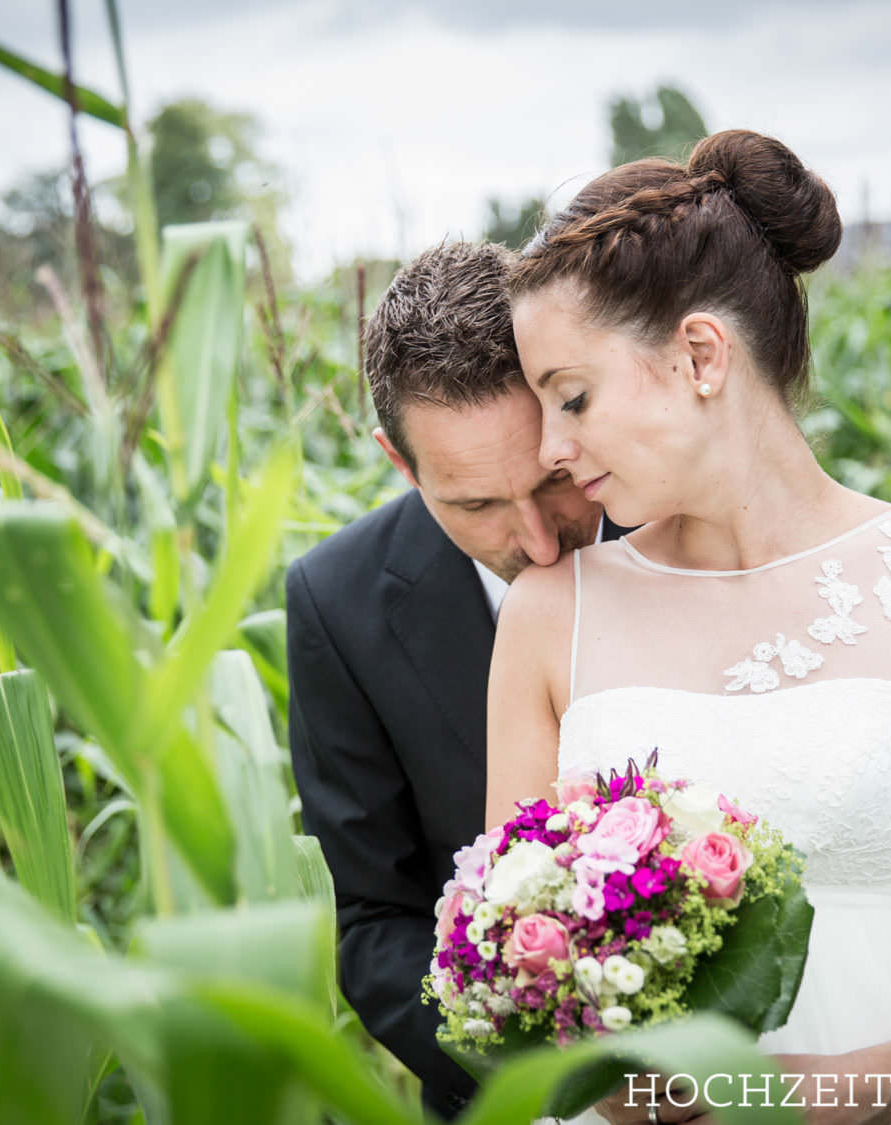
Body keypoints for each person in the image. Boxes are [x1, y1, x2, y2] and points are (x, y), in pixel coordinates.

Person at [484, 130, 891, 1125]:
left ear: (701, 355)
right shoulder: (549, 616)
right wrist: (599, 1076)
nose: (555, 449)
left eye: (571, 397)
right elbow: (519, 958)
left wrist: (845, 1092)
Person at [287, 239, 628, 1121]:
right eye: (476, 505)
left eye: (554, 480)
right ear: (398, 463)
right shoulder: (337, 602)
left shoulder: (684, 516)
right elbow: (374, 919)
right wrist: (534, 1074)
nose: (542, 542)